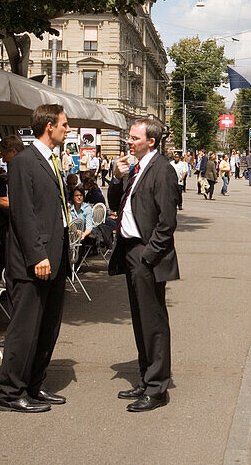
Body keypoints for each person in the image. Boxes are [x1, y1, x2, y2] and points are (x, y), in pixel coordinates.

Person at [0, 104, 72, 414]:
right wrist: (37, 255)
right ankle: (11, 393)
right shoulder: (25, 162)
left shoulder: (53, 160)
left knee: (47, 327)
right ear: (49, 126)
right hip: (34, 262)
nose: (68, 129)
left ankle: (35, 384)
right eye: (64, 125)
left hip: (57, 257)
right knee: (25, 328)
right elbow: (23, 214)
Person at [107, 117, 180, 412]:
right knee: (140, 320)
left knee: (153, 323)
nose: (128, 141)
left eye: (134, 137)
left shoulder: (161, 170)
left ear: (151, 141)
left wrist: (149, 256)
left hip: (147, 256)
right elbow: (117, 204)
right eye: (129, 136)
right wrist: (115, 177)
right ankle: (145, 376)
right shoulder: (135, 168)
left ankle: (157, 388)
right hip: (131, 251)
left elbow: (167, 222)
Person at [0, 135, 24, 282]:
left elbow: (14, 203)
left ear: (14, 151)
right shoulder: (16, 168)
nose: (3, 160)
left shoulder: (22, 169)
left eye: (5, 155)